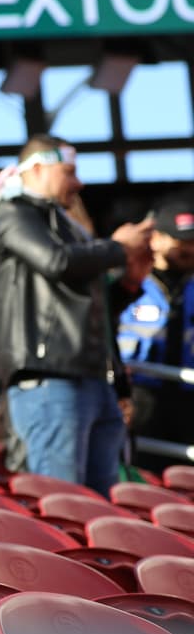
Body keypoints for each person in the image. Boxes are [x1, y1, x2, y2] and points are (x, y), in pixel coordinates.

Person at [0, 135, 152, 496]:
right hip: (50, 377)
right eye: (70, 172)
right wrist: (118, 248)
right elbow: (57, 262)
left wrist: (127, 285)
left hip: (91, 378)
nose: (79, 183)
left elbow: (86, 301)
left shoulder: (66, 225)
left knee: (97, 509)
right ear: (39, 167)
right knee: (65, 506)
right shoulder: (13, 213)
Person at [117, 194, 194, 470]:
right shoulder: (125, 280)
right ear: (157, 238)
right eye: (179, 239)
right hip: (141, 394)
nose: (188, 248)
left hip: (188, 396)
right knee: (140, 471)